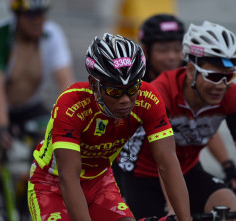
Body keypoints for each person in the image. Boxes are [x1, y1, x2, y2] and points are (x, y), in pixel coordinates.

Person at [119, 20, 236, 221]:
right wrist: (175, 212)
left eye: (229, 76)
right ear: (191, 70)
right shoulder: (161, 92)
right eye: (214, 76)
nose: (222, 85)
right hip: (142, 175)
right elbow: (164, 160)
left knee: (234, 211)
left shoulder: (232, 95)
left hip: (186, 170)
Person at [27, 33, 191, 221]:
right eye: (114, 91)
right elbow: (68, 177)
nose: (125, 100)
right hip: (52, 185)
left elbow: (168, 164)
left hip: (99, 182)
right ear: (93, 84)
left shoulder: (149, 98)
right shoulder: (71, 104)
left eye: (132, 89)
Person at [0, 0, 75, 219]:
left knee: (54, 150)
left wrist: (74, 120)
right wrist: (2, 128)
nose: (39, 20)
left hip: (28, 107)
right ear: (17, 16)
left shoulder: (52, 34)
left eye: (42, 14)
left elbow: (65, 82)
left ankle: (27, 205)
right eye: (31, 16)